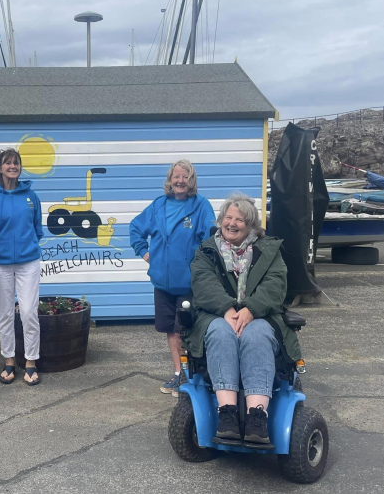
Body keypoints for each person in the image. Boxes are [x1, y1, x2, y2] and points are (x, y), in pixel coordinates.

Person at [184, 193, 301, 448]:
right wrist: (227, 309)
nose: (232, 223)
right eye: (228, 217)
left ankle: (257, 417)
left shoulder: (269, 251)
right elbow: (203, 284)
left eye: (239, 220)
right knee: (220, 331)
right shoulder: (206, 250)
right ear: (221, 221)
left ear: (251, 226)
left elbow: (276, 285)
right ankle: (227, 416)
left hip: (261, 316)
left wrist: (251, 309)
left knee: (257, 333)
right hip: (216, 315)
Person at [129, 159, 216, 396]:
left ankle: (192, 376)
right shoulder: (158, 206)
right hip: (162, 283)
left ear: (191, 181)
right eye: (176, 176)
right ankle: (179, 374)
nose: (180, 181)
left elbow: (210, 240)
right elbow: (135, 228)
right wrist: (144, 252)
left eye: (185, 176)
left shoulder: (201, 206)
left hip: (189, 283)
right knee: (171, 330)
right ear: (170, 180)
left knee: (186, 330)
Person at [0, 148, 44, 386]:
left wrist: (31, 245)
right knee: (5, 313)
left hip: (28, 262)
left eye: (16, 162)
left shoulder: (31, 196)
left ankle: (31, 362)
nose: (12, 166)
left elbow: (38, 228)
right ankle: (9, 360)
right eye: (8, 163)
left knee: (28, 312)